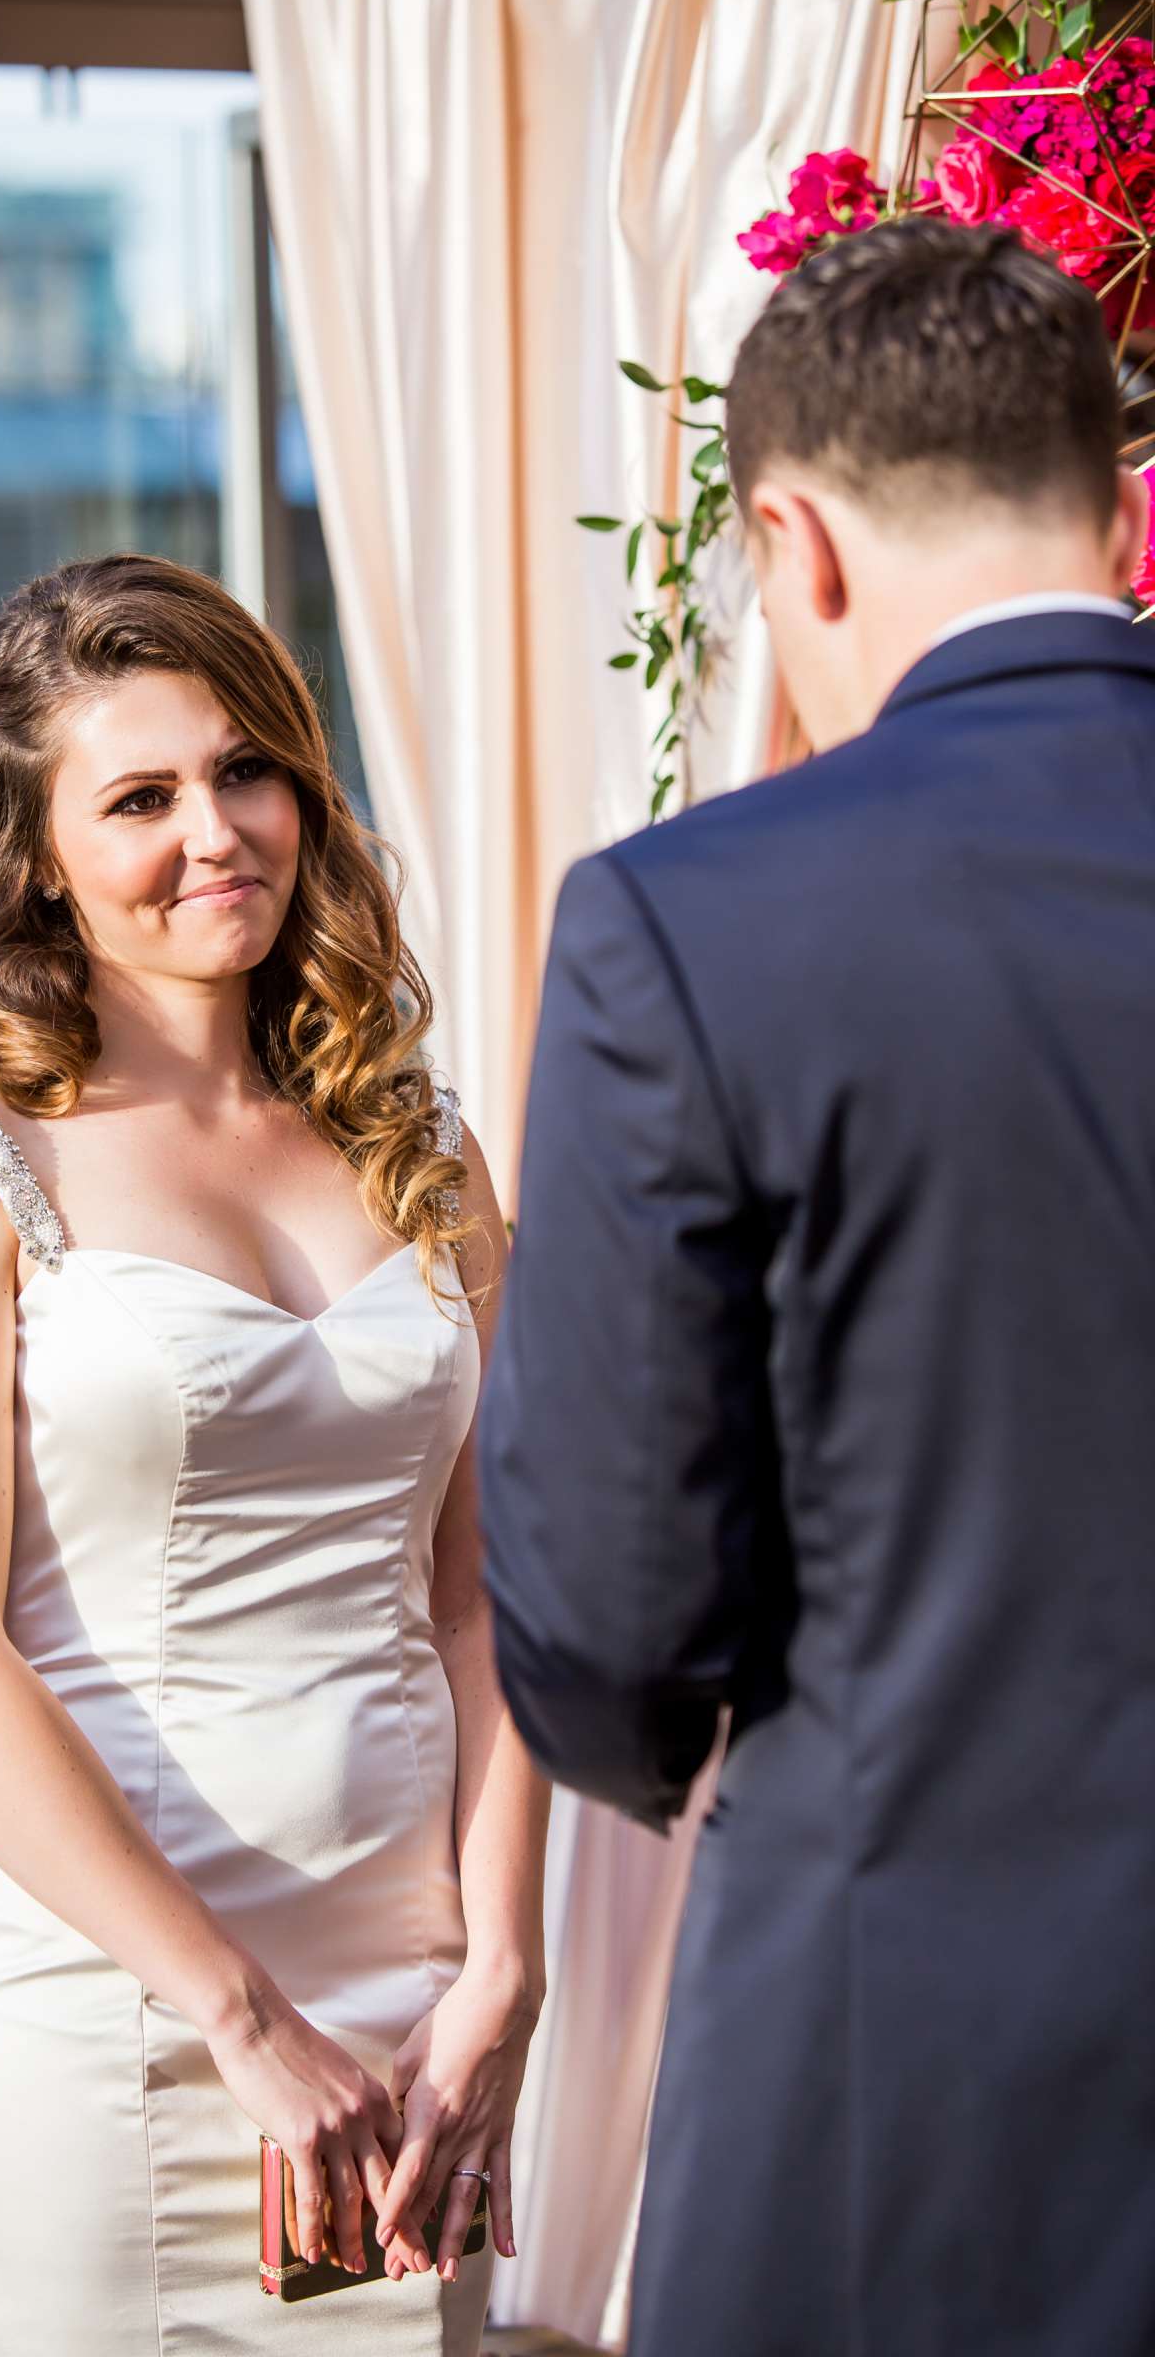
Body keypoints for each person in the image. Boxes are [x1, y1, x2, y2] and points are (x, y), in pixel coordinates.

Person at [479, 218, 1155, 2356]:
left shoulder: (690, 926)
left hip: (901, 2083)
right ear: (1119, 508)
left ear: (794, 541)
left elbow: (599, 1612)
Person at [0, 555, 549, 2354]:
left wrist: (507, 1968)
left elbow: (497, 1596)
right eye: (139, 797)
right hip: (98, 2016)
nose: (214, 830)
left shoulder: (427, 1152)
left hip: (412, 2005)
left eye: (246, 770)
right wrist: (238, 2018)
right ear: (37, 857)